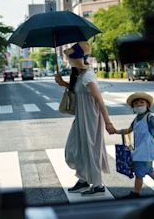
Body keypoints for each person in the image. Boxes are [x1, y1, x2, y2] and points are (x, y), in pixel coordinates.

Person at [55, 41, 116, 196]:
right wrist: (64, 84)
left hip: (91, 117)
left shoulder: (88, 76)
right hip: (81, 116)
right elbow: (79, 92)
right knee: (75, 147)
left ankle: (97, 185)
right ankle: (83, 179)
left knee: (91, 149)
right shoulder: (79, 74)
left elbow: (99, 100)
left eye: (70, 58)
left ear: (77, 59)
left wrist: (108, 122)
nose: (68, 61)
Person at [114, 92, 154, 198]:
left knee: (139, 173)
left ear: (147, 105)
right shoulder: (137, 119)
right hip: (140, 149)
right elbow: (129, 130)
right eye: (136, 103)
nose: (139, 105)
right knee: (149, 170)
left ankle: (136, 193)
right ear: (133, 107)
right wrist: (116, 131)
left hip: (146, 150)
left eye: (142, 102)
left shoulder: (149, 117)